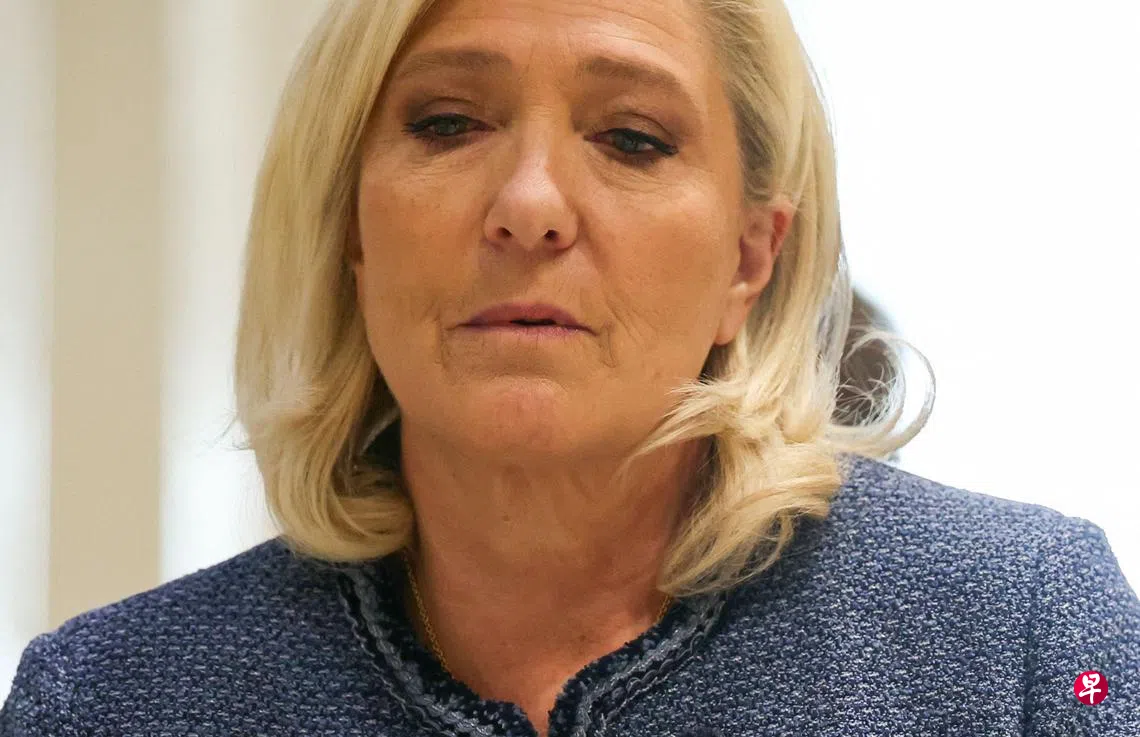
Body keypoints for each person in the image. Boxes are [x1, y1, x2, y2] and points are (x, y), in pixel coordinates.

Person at [3, 0, 1138, 734]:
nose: (530, 204)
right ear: (351, 227)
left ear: (752, 258)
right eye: (449, 123)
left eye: (632, 138)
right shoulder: (106, 699)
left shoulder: (1029, 642)